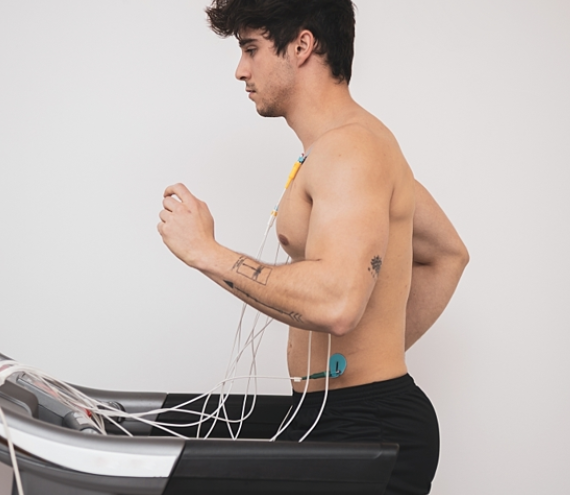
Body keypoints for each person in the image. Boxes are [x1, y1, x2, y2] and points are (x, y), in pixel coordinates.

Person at [156, 1, 470, 493]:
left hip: (369, 426)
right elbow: (448, 253)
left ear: (301, 46)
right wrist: (369, 352)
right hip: (338, 414)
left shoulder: (352, 151)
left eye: (251, 49)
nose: (241, 71)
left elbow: (337, 304)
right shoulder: (345, 147)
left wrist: (206, 252)